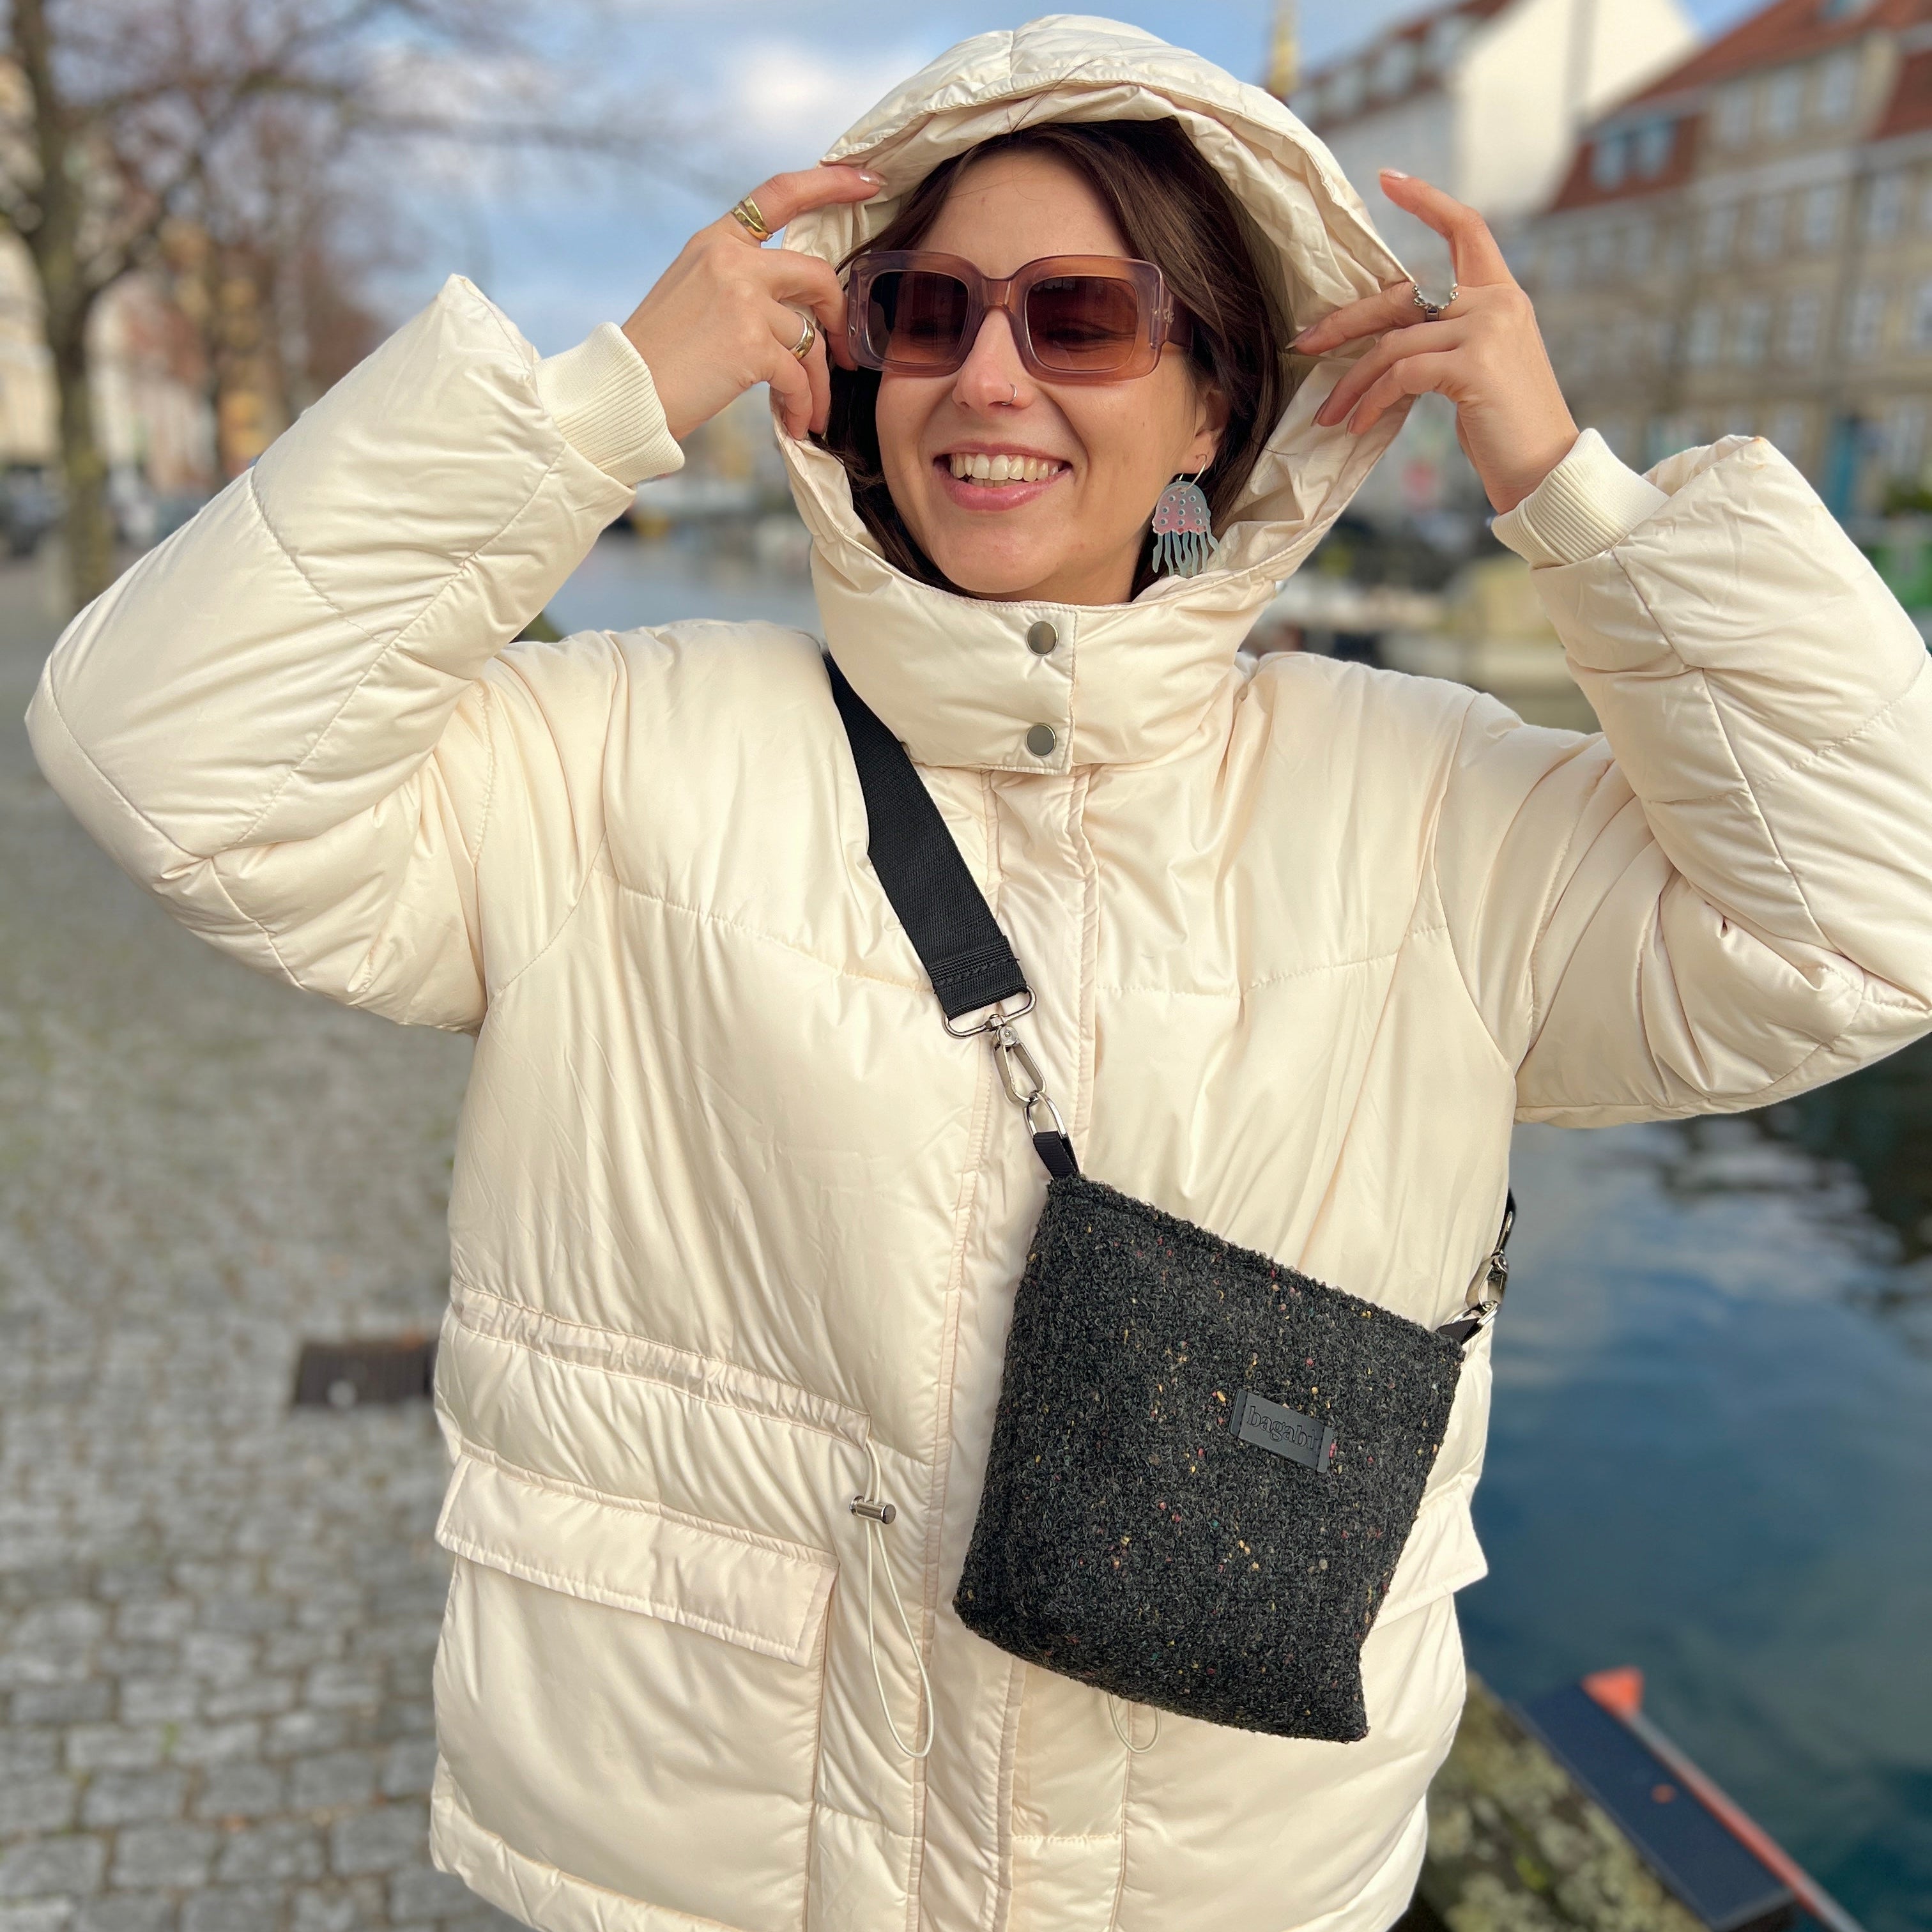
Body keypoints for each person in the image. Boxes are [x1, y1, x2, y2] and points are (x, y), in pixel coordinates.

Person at [26, 19, 1932, 1932]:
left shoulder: (1431, 806)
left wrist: (1578, 498)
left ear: (1212, 402)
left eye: (1081, 316)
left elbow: (1874, 921)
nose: (985, 374)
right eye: (925, 313)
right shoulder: (617, 757)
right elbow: (161, 752)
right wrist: (606, 399)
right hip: (697, 1884)